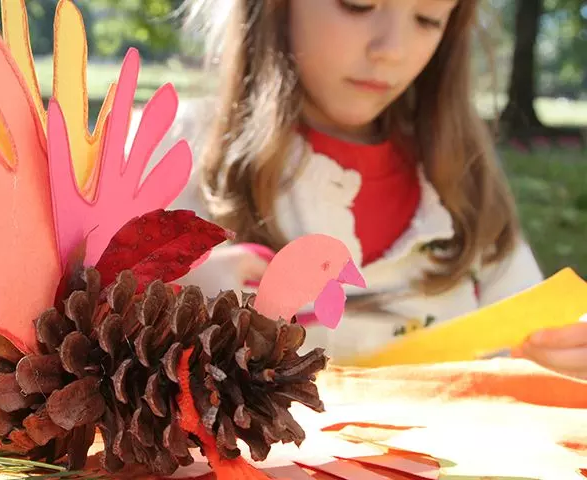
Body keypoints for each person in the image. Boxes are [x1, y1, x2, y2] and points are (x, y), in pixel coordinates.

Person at [140, 0, 587, 377]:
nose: (392, 50)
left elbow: (532, 333)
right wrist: (166, 295)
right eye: (358, 4)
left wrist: (564, 354)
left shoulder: (462, 181)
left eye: (428, 19)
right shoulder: (168, 152)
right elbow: (86, 336)